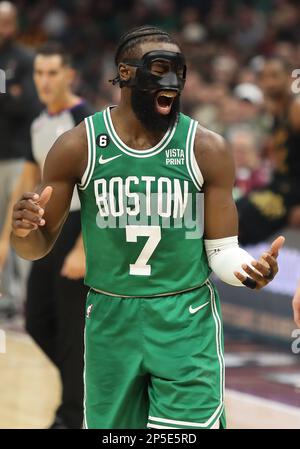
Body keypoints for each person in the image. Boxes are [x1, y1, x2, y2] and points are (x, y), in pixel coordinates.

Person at [10, 26, 284, 430]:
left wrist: (247, 272)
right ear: (125, 73)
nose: (172, 82)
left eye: (179, 72)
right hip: (109, 315)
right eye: (160, 69)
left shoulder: (207, 148)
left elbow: (222, 250)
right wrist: (24, 230)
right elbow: (37, 248)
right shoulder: (77, 146)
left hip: (184, 317)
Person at [1, 42, 93, 428]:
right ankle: (91, 388)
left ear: (69, 75)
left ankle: (72, 414)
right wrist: (8, 239)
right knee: (37, 319)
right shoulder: (39, 123)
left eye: (52, 73)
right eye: (38, 73)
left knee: (72, 330)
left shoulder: (86, 121)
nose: (43, 80)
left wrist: (83, 249)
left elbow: (99, 191)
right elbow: (30, 180)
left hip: (80, 227)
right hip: (48, 228)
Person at [0, 1, 40, 315]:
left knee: (17, 226)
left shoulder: (24, 60)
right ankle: (3, 297)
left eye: (6, 23)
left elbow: (26, 105)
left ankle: (23, 299)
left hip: (16, 157)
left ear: (15, 25)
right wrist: (6, 90)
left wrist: (10, 93)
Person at [237, 56, 300, 245]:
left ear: (289, 78)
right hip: (279, 185)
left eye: (275, 76)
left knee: (239, 222)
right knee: (229, 210)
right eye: (264, 77)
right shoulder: (275, 111)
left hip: (292, 194)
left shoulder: (296, 110)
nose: (269, 82)